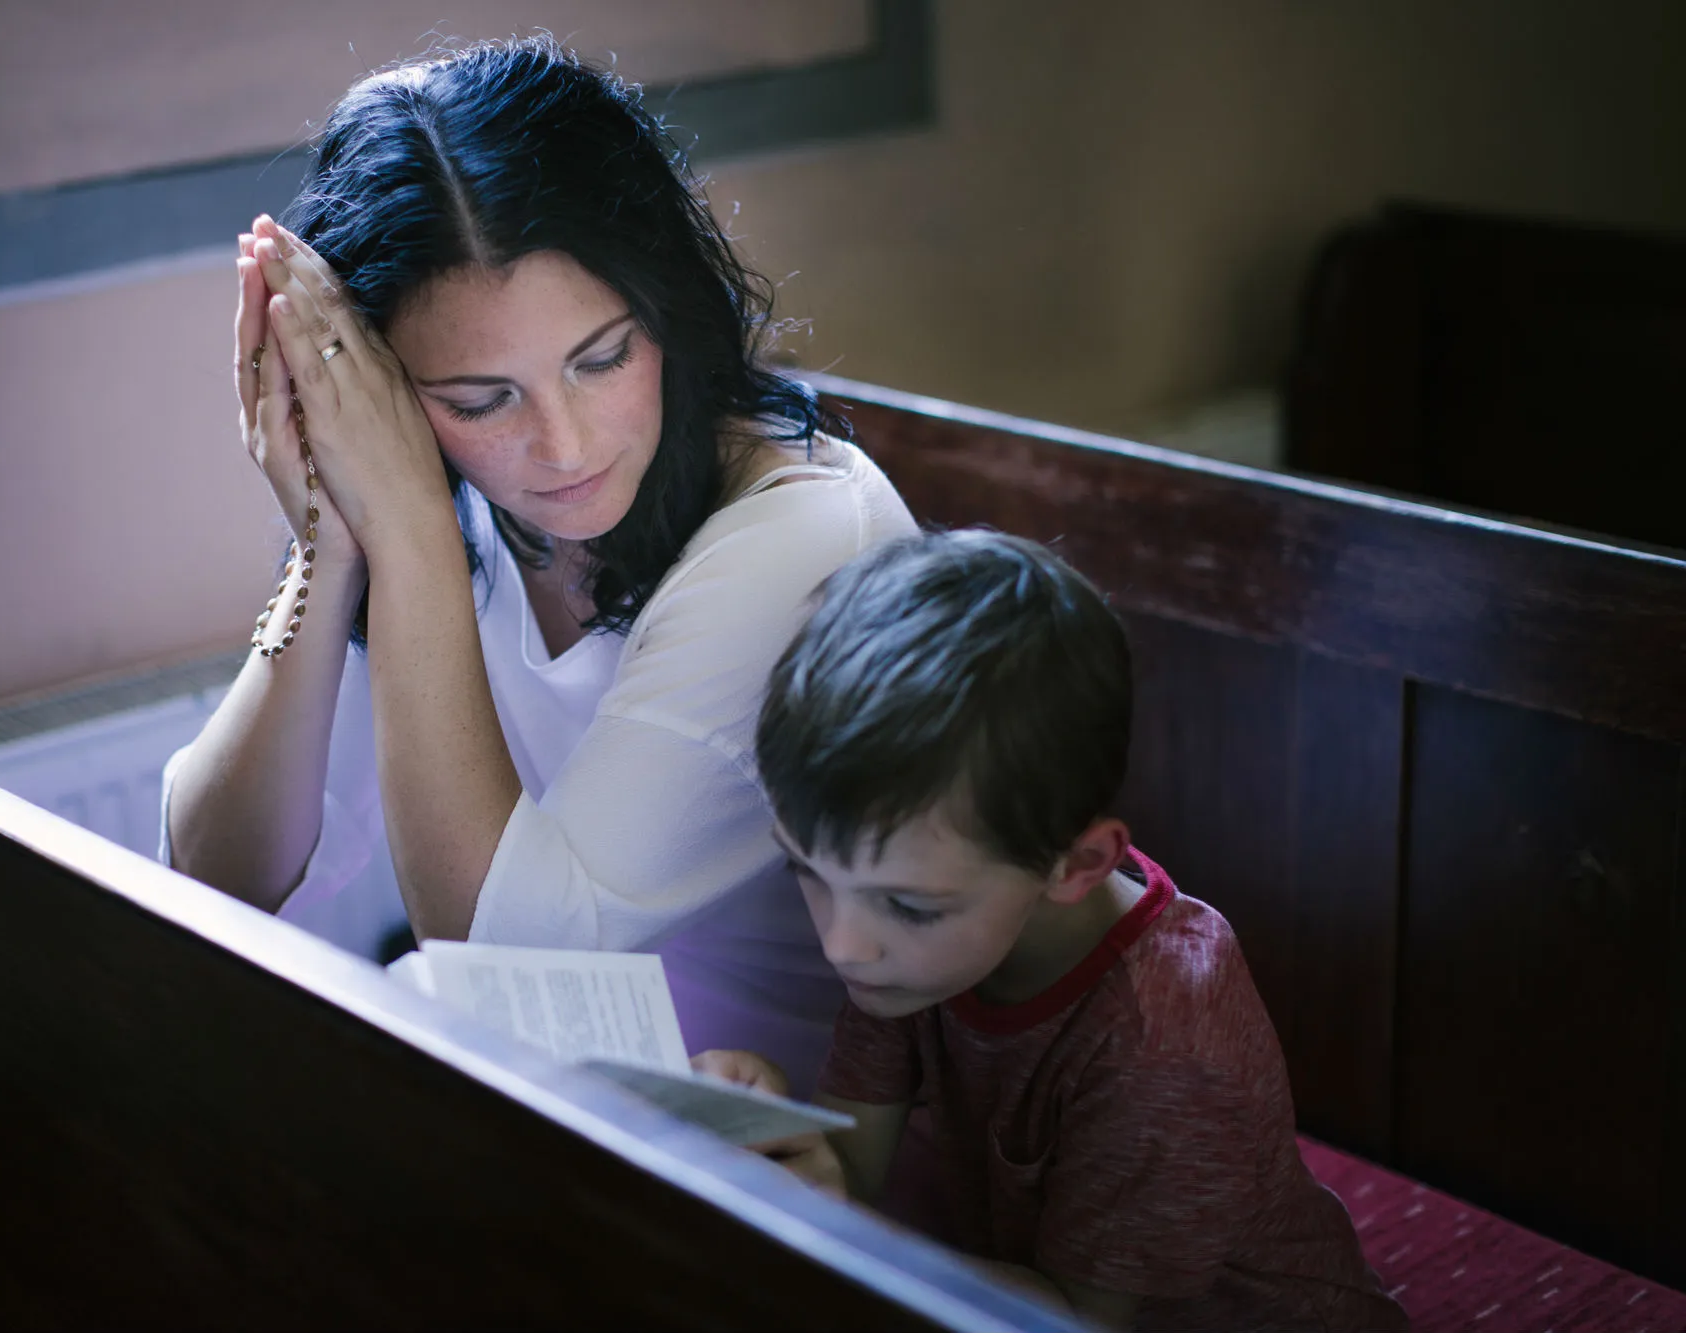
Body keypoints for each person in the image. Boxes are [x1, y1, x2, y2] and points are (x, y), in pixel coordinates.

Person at [158, 37, 916, 1092]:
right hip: (578, 1101)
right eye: (477, 399)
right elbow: (216, 869)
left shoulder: (797, 534)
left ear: (665, 308)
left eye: (601, 358)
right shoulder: (444, 494)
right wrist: (332, 538)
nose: (561, 446)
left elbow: (508, 957)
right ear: (378, 388)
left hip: (798, 1153)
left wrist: (413, 531)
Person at [700, 530, 1405, 1330]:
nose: (841, 944)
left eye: (907, 905)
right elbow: (853, 1168)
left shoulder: (1162, 1043)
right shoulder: (911, 936)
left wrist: (834, 1221)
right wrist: (765, 1129)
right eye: (808, 874)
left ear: (1076, 864)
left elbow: (1079, 1320)